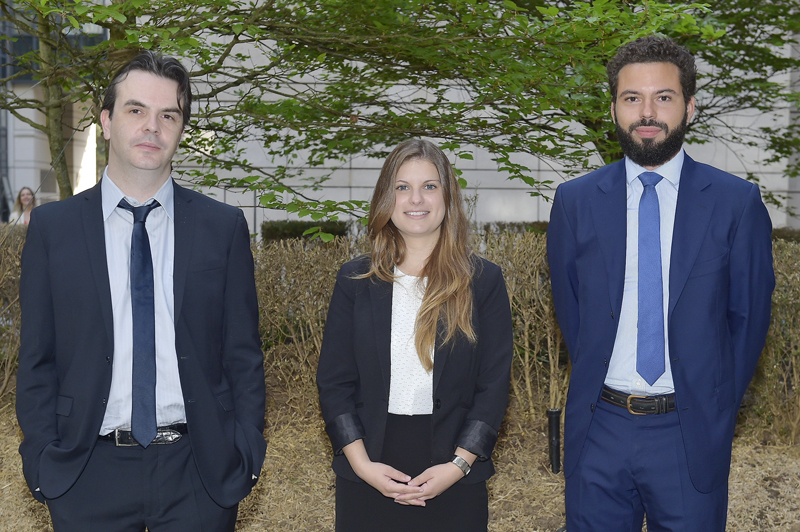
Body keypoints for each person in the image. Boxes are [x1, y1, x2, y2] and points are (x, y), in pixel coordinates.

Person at [16, 51, 266, 532]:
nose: (152, 127)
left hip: (198, 471)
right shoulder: (54, 229)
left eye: (168, 115)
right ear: (107, 122)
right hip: (87, 471)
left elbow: (243, 356)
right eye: (136, 110)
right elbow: (37, 359)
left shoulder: (223, 228)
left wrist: (245, 448)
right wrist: (43, 457)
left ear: (181, 130)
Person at [547, 36, 775, 531]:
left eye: (663, 97)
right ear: (614, 109)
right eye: (632, 98)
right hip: (600, 428)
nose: (646, 112)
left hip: (688, 432)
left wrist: (713, 411)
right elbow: (574, 314)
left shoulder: (736, 204)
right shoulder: (575, 203)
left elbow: (749, 320)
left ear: (689, 107)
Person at [316, 139, 513, 531]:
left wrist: (458, 466)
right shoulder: (355, 280)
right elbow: (333, 382)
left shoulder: (483, 281)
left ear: (448, 196)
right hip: (368, 472)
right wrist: (363, 466)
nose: (415, 199)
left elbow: (493, 387)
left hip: (454, 470)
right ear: (386, 198)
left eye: (429, 186)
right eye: (402, 187)